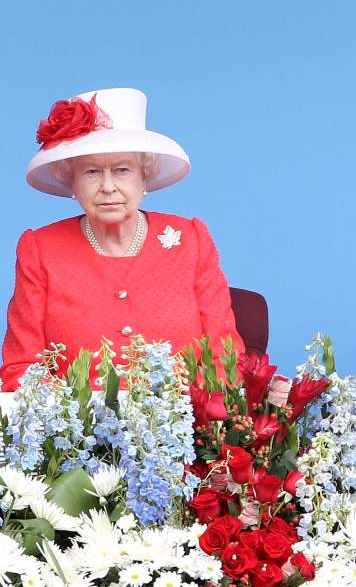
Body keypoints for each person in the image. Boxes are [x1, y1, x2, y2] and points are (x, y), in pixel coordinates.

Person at [0, 88, 244, 388]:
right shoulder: (41, 249)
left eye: (122, 170)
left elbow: (225, 356)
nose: (108, 186)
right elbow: (21, 366)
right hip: (79, 430)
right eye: (91, 172)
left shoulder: (191, 239)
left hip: (184, 427)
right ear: (71, 182)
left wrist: (203, 421)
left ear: (145, 178)